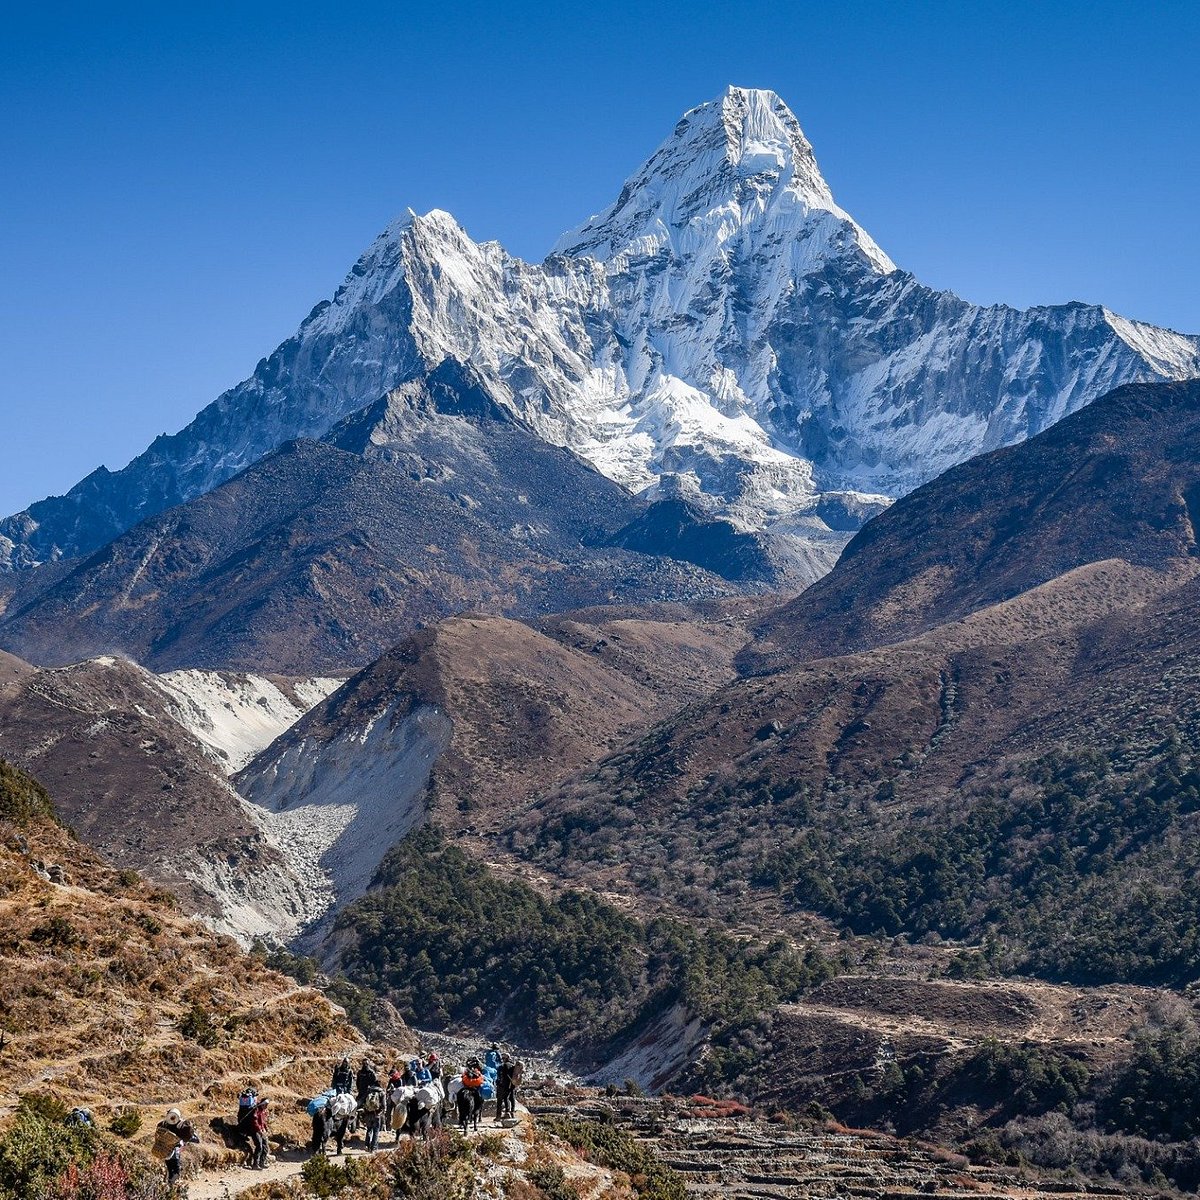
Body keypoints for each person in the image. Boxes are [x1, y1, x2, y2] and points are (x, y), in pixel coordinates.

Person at [155, 1108, 198, 1187]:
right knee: (176, 1172)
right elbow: (193, 1138)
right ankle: (170, 1186)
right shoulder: (180, 1127)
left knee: (170, 1170)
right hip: (174, 1152)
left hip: (165, 1151)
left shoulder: (164, 1124)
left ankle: (169, 1187)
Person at [362, 1081, 385, 1152]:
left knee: (369, 1129)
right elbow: (384, 1105)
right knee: (376, 1131)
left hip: (368, 1113)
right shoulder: (381, 1092)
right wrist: (381, 1113)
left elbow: (363, 1102)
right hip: (377, 1114)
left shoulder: (368, 1091)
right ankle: (373, 1148)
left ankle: (366, 1145)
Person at [249, 1099, 270, 1170]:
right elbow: (254, 1121)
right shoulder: (256, 1110)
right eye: (266, 1105)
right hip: (254, 1130)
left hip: (261, 1131)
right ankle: (255, 1164)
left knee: (265, 1146)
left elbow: (263, 1121)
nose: (267, 1106)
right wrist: (259, 1129)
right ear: (263, 1104)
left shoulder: (262, 1111)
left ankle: (262, 1162)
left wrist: (265, 1128)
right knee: (259, 1146)